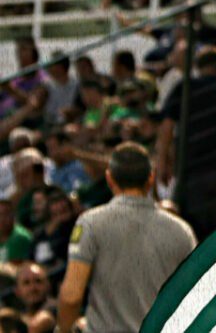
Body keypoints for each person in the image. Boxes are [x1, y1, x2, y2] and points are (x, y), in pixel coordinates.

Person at [57, 142, 196, 333]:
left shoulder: (90, 223)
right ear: (151, 178)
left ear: (109, 178)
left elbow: (72, 296)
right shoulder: (181, 231)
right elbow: (196, 296)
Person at [157, 47, 216, 240]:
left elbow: (166, 128)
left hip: (191, 176)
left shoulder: (184, 90)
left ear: (198, 67)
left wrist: (162, 163)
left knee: (191, 235)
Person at [15, 263, 55, 333]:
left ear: (48, 285)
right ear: (17, 291)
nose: (33, 288)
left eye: (38, 281)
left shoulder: (57, 307)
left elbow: (36, 326)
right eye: (26, 283)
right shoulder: (20, 317)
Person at [42, 52, 78, 127]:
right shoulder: (46, 85)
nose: (48, 68)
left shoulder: (77, 84)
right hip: (50, 124)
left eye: (51, 65)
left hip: (71, 123)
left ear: (60, 67)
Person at [0, 200, 32, 265]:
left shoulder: (22, 237)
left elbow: (18, 265)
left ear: (14, 216)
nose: (2, 219)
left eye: (6, 214)